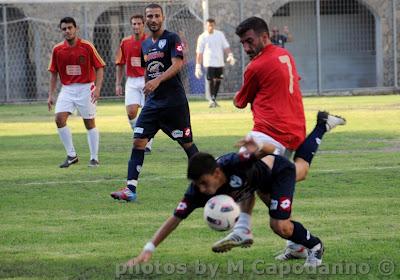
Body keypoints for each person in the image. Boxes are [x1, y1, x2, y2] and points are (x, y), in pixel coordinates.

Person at [213, 17, 346, 260]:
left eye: (249, 41)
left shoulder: (255, 67)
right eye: (242, 43)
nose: (246, 48)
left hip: (269, 132)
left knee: (246, 174)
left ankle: (243, 228)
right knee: (277, 184)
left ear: (265, 37)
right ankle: (322, 126)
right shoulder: (286, 55)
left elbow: (239, 102)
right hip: (292, 126)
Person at [125, 117, 338, 268]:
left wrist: (258, 145)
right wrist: (148, 249)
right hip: (256, 183)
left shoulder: (235, 163)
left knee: (280, 224)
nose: (201, 189)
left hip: (278, 172)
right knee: (270, 212)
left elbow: (272, 151)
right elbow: (175, 218)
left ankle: (314, 245)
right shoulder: (198, 191)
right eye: (197, 184)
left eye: (203, 183)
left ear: (217, 173)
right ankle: (290, 245)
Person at [110, 3, 199, 202]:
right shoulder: (146, 44)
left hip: (174, 103)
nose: (153, 19)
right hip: (153, 104)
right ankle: (130, 190)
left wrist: (157, 80)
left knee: (187, 144)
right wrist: (148, 86)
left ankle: (210, 181)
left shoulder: (172, 38)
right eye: (149, 16)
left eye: (156, 15)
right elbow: (147, 70)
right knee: (138, 141)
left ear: (163, 17)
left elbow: (178, 63)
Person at [47, 17, 105, 168]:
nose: (67, 31)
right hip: (67, 89)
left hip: (86, 88)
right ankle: (71, 155)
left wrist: (97, 88)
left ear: (76, 28)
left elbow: (100, 67)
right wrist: (51, 94)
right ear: (62, 31)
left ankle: (94, 158)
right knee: (59, 119)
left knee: (89, 123)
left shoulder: (87, 46)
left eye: (70, 28)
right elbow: (53, 73)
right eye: (64, 29)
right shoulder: (57, 49)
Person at [115, 14, 153, 154]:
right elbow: (120, 63)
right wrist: (118, 83)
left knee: (147, 113)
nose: (136, 26)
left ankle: (147, 143)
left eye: (139, 24)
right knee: (131, 113)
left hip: (147, 80)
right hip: (131, 81)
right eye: (134, 24)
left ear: (143, 25)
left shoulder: (150, 41)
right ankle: (141, 135)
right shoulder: (125, 42)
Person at [195, 18, 235, 108]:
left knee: (218, 80)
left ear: (214, 25)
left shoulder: (219, 35)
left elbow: (226, 46)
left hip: (219, 62)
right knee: (210, 80)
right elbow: (199, 52)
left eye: (212, 25)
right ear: (206, 26)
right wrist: (197, 66)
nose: (210, 27)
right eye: (209, 25)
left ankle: (214, 99)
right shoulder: (202, 37)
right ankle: (211, 100)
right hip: (208, 62)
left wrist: (230, 55)